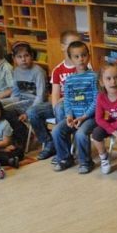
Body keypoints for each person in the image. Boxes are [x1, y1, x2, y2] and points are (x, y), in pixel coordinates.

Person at [28, 31, 83, 161]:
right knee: (32, 112)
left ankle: (63, 153)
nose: (75, 47)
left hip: (78, 105)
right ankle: (50, 142)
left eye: (78, 44)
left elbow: (84, 93)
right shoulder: (58, 70)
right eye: (71, 44)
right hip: (61, 104)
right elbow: (55, 95)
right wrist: (55, 107)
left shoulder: (82, 66)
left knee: (60, 107)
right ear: (63, 47)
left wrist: (64, 102)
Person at [51, 41, 98, 173]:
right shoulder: (69, 80)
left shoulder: (94, 77)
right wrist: (69, 116)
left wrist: (84, 117)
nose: (81, 59)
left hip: (91, 118)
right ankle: (65, 159)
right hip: (74, 117)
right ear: (71, 59)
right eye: (76, 57)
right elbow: (67, 100)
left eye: (83, 55)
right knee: (56, 131)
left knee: (81, 133)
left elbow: (97, 101)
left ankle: (86, 162)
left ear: (89, 56)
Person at [92, 63, 117, 175]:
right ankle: (104, 158)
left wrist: (113, 129)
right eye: (108, 78)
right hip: (112, 124)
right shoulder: (100, 96)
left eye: (116, 78)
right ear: (101, 82)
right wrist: (112, 130)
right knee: (96, 133)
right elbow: (98, 119)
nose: (113, 82)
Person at [4, 42, 47, 115]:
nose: (23, 59)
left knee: (6, 110)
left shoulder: (38, 72)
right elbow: (15, 94)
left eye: (26, 56)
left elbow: (40, 96)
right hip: (21, 101)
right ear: (14, 58)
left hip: (34, 102)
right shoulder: (16, 71)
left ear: (32, 56)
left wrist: (27, 113)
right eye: (19, 57)